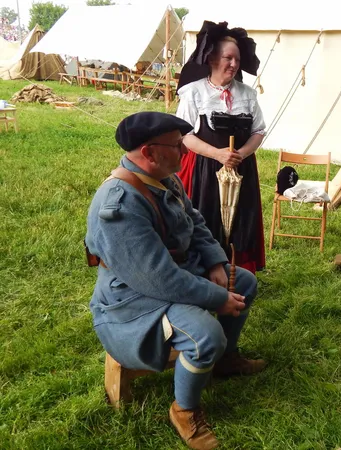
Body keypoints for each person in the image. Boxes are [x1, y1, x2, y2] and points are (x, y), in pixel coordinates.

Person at [85, 111, 266, 450]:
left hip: (174, 275)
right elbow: (158, 279)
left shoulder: (165, 178)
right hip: (133, 302)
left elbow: (193, 220)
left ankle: (224, 361)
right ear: (149, 153)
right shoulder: (120, 206)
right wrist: (215, 298)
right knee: (205, 335)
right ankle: (184, 409)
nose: (184, 151)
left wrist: (214, 260)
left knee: (242, 282)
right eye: (177, 145)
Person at [176, 20, 266, 274]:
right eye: (228, 58)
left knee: (240, 219)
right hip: (205, 169)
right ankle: (206, 270)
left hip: (241, 168)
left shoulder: (247, 94)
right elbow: (184, 134)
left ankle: (238, 272)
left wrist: (241, 154)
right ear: (212, 58)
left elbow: (259, 130)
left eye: (237, 59)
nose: (234, 64)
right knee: (207, 217)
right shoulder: (194, 93)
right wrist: (218, 154)